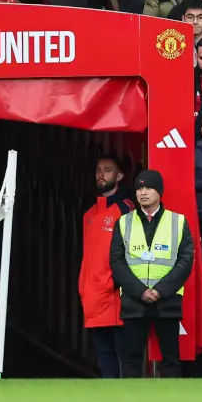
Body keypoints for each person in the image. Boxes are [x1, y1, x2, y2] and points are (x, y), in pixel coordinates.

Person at [108, 170, 193, 379]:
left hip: (168, 300)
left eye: (148, 188)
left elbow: (186, 261)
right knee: (131, 360)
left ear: (159, 192)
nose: (142, 193)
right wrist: (140, 291)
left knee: (171, 359)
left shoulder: (178, 221)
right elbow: (116, 262)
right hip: (134, 301)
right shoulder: (123, 222)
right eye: (139, 188)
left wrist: (161, 290)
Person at [79, 156, 135, 378]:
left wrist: (118, 281)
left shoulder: (126, 209)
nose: (101, 174)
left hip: (116, 294)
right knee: (104, 354)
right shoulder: (90, 214)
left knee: (123, 354)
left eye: (108, 170)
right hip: (93, 293)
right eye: (98, 170)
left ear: (119, 176)